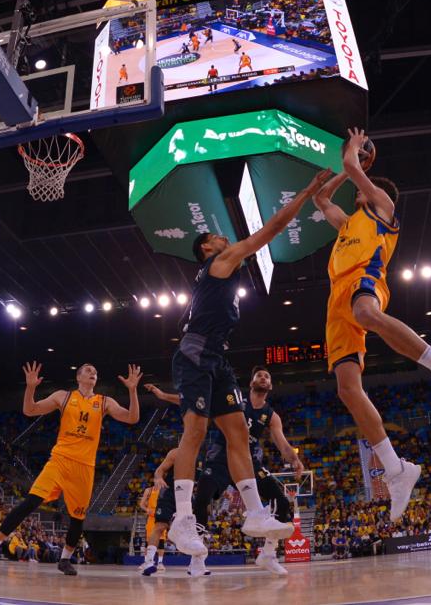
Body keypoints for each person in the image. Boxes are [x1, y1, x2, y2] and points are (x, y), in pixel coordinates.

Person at [311, 128, 431, 522]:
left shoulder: (382, 208)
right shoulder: (346, 224)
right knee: (347, 390)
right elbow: (321, 200)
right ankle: (396, 469)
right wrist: (343, 172)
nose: (357, 190)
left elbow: (354, 168)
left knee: (367, 314)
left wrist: (356, 157)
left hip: (366, 283)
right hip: (336, 300)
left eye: (362, 186)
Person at [167, 173, 324, 558]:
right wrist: (304, 190)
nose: (224, 238)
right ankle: (182, 519)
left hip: (216, 357)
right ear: (207, 247)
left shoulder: (215, 278)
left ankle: (255, 512)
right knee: (196, 431)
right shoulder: (220, 261)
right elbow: (269, 230)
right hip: (195, 355)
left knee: (237, 430)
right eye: (217, 236)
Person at [0, 361, 140, 576]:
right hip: (60, 459)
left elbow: (132, 418)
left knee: (77, 519)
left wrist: (133, 390)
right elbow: (29, 410)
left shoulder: (104, 402)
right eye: (89, 371)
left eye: (96, 372)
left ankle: (64, 559)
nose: (93, 374)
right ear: (79, 377)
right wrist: (31, 387)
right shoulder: (63, 396)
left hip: (85, 467)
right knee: (31, 502)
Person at [150, 367, 304, 576]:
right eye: (259, 375)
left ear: (271, 385)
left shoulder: (271, 415)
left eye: (267, 376)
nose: (263, 378)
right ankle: (197, 558)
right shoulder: (234, 399)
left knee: (283, 501)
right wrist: (163, 396)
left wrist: (295, 459)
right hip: (220, 459)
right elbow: (198, 404)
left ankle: (268, 554)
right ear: (251, 383)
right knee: (202, 497)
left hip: (247, 463)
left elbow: (283, 444)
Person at [138, 447, 176, 576]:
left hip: (163, 509)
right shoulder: (149, 490)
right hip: (152, 515)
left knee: (162, 540)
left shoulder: (163, 489)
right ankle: (147, 561)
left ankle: (160, 562)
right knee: (149, 538)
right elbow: (142, 504)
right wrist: (147, 509)